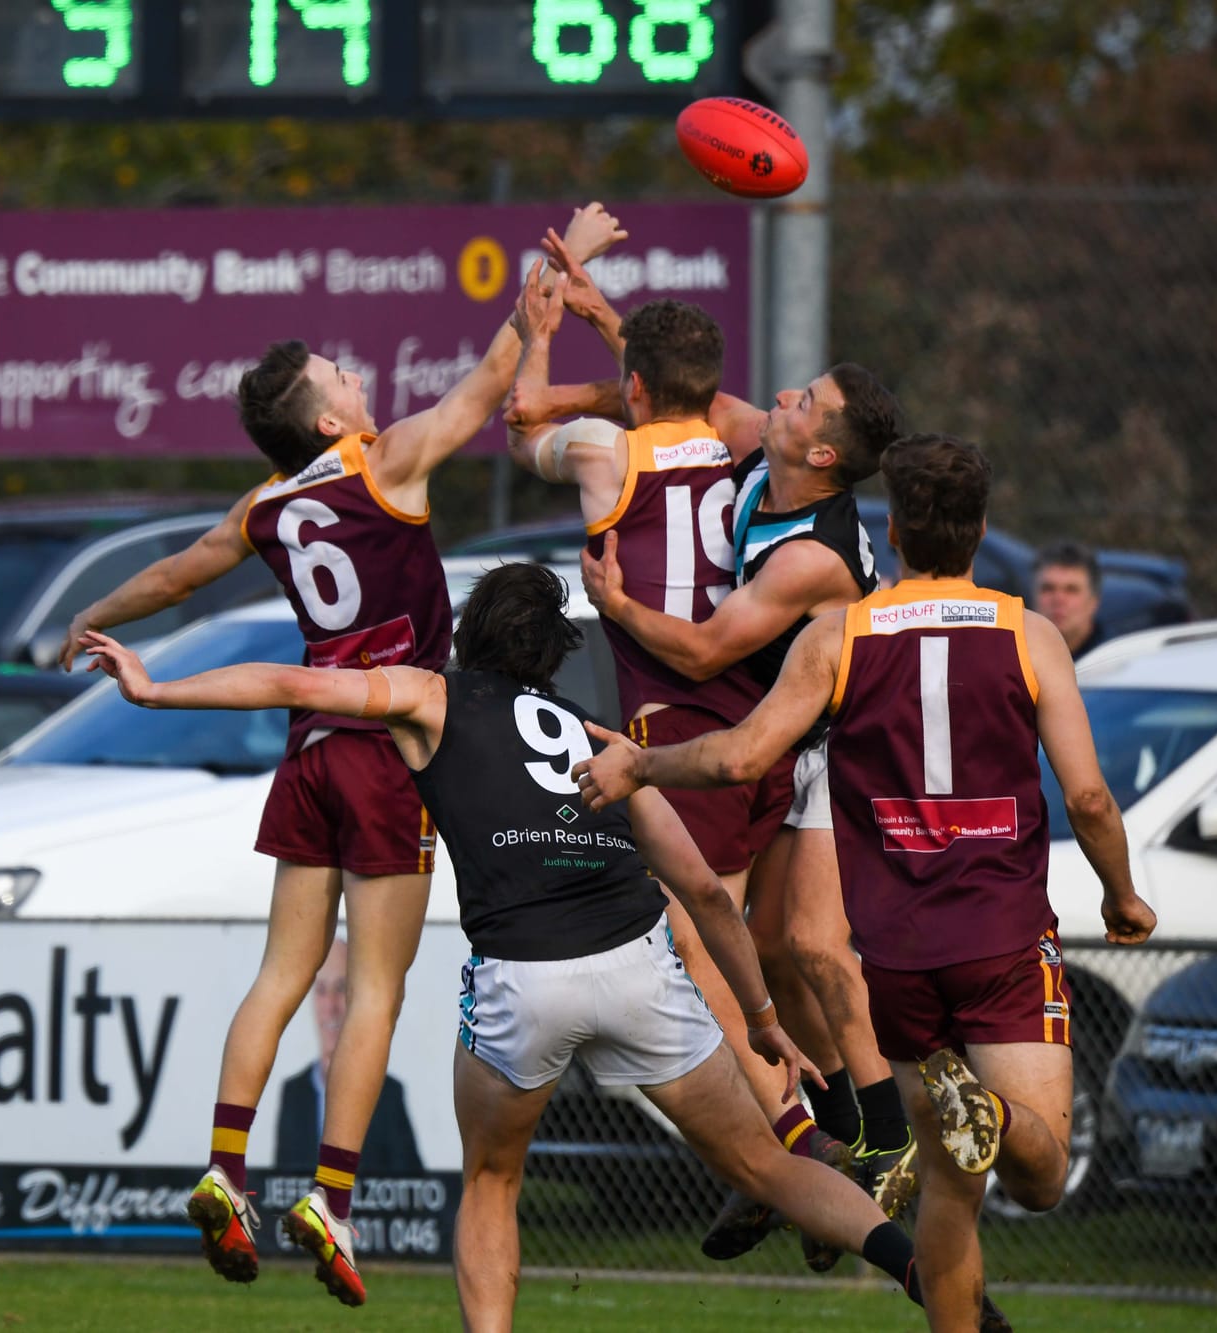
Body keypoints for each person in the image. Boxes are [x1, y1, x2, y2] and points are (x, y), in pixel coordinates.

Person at [77, 564, 940, 1329]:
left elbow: (294, 682)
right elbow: (707, 890)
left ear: (469, 634)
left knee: (491, 1182)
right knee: (763, 1161)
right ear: (551, 655)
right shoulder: (598, 736)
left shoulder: (431, 695)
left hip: (524, 976)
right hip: (636, 960)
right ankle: (922, 1270)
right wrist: (760, 1016)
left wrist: (157, 690)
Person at [50, 203, 627, 1301]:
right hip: (386, 745)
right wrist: (549, 288)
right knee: (374, 986)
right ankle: (331, 1193)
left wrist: (89, 621)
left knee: (279, 972)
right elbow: (487, 383)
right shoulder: (384, 466)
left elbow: (174, 573)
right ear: (324, 418)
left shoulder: (268, 506)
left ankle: (224, 1164)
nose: (359, 383)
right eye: (342, 379)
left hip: (307, 745)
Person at [574, 435, 1159, 1333]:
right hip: (1003, 943)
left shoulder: (838, 636)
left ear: (893, 527)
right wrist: (1123, 893)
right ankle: (995, 1111)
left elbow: (740, 756)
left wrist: (642, 764)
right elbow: (1086, 794)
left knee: (950, 1192)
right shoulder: (1027, 632)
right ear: (981, 531)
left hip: (894, 959)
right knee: (1038, 1179)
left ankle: (971, 1138)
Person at [507, 251, 917, 1267]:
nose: (781, 398)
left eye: (804, 400)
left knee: (722, 952)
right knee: (795, 952)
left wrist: (612, 606)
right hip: (774, 737)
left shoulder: (806, 546)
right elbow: (700, 396)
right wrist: (610, 321)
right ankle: (851, 1142)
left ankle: (813, 1149)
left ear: (820, 454)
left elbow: (694, 647)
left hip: (783, 739)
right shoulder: (741, 457)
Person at [275, 936, 423, 1177]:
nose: (331, 1005)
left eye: (341, 988)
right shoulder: (294, 1093)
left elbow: (412, 1188)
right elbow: (281, 1185)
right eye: (321, 991)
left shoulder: (388, 1093)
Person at [1032, 540, 1106, 660]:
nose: (1058, 599)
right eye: (1048, 588)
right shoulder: (1012, 658)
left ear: (1094, 602)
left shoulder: (1115, 661)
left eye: (1071, 590)